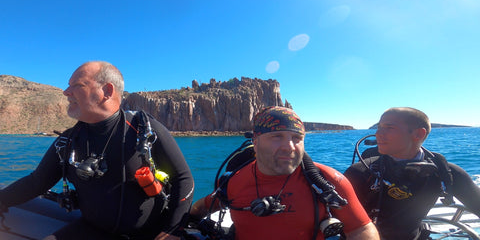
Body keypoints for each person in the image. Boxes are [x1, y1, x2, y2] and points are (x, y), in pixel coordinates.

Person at [0, 61, 194, 240]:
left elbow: (183, 179)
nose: (66, 92)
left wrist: (171, 231)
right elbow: (36, 183)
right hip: (92, 230)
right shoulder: (67, 141)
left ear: (107, 91)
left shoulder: (143, 129)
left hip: (149, 233)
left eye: (76, 85)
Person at [190, 106, 379, 240]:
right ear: (255, 141)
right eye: (276, 136)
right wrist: (177, 228)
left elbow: (360, 229)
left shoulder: (328, 181)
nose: (289, 147)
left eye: (297, 138)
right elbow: (202, 207)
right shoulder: (234, 180)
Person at [344, 107, 480, 240]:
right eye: (379, 127)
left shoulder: (446, 173)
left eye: (389, 128)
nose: (378, 133)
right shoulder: (360, 172)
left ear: (418, 134)